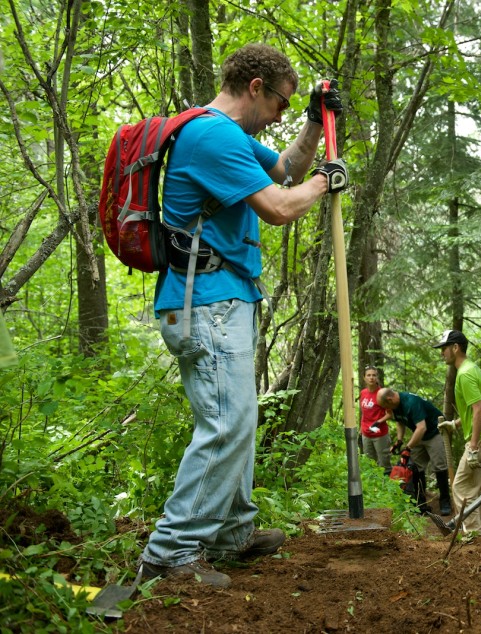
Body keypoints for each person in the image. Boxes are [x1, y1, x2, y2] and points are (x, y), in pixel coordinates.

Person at [140, 43, 348, 588]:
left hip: (223, 298)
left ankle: (231, 532)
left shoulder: (232, 137)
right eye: (281, 103)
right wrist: (327, 181)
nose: (280, 114)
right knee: (227, 422)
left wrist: (310, 120)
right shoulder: (210, 136)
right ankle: (170, 552)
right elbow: (280, 206)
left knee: (238, 419)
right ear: (255, 87)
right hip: (204, 302)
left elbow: (284, 169)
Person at [433, 329, 481, 542]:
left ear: (455, 348)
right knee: (480, 487)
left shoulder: (465, 374)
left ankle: (474, 537)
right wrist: (456, 423)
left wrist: (472, 447)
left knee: (461, 486)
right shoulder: (474, 369)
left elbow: (479, 410)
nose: (442, 353)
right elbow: (475, 409)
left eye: (444, 349)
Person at [376, 387, 453, 515]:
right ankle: (421, 505)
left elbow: (421, 428)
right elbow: (399, 421)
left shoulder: (411, 403)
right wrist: (399, 441)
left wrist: (408, 448)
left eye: (384, 405)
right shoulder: (395, 406)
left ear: (390, 399)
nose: (385, 409)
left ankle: (445, 502)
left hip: (434, 431)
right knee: (416, 468)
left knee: (439, 465)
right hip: (419, 434)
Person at [359, 366, 392, 472]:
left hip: (380, 434)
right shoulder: (363, 393)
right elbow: (364, 413)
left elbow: (389, 414)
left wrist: (378, 422)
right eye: (368, 375)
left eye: (374, 375)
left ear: (377, 377)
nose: (371, 378)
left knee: (384, 464)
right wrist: (361, 429)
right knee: (369, 465)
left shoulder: (382, 394)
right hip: (366, 434)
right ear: (364, 377)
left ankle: (387, 487)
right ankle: (373, 488)